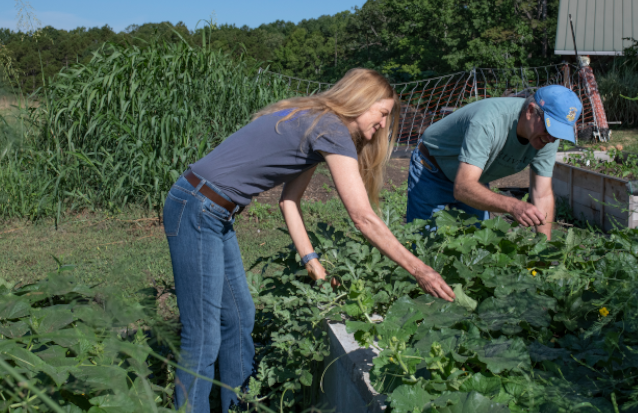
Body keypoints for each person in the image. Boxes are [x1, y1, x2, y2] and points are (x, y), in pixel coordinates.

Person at [162, 68, 455, 413]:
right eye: (383, 113)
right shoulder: (330, 129)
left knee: (240, 318)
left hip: (214, 211)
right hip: (198, 206)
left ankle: (239, 407)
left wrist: (312, 262)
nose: (383, 124)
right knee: (203, 336)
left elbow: (289, 200)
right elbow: (362, 217)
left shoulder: (318, 126)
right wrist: (420, 270)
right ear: (361, 99)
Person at [406, 85, 582, 240]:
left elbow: (542, 194)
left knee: (476, 246)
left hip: (474, 180)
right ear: (530, 111)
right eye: (550, 128)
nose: (552, 138)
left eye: (559, 132)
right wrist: (513, 205)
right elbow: (464, 188)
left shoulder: (547, 138)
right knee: (423, 244)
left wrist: (544, 249)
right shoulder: (488, 121)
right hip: (432, 171)